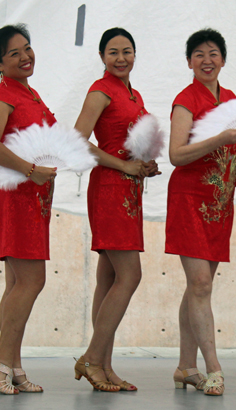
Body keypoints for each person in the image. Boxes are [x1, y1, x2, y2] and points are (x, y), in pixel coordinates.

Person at [73, 27, 160, 392]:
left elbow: (127, 144)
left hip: (129, 190)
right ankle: (92, 358)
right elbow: (77, 138)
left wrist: (142, 163)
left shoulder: (133, 94)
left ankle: (104, 367)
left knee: (108, 279)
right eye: (113, 52)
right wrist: (123, 166)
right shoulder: (100, 90)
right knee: (130, 275)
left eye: (127, 51)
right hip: (110, 189)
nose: (120, 58)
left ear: (136, 54)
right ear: (102, 57)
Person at [165, 28, 236, 396]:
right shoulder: (186, 100)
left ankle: (185, 366)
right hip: (189, 201)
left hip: (219, 204)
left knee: (199, 287)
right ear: (189, 63)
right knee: (200, 284)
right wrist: (219, 140)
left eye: (213, 53)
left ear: (224, 60)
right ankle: (213, 367)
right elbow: (176, 155)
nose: (207, 60)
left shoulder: (230, 100)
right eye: (198, 54)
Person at [0, 24, 57, 394]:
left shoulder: (31, 94)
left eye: (27, 48)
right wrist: (29, 170)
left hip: (35, 200)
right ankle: (0, 360)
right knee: (31, 281)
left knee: (17, 283)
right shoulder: (2, 96)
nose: (26, 57)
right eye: (14, 54)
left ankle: (12, 363)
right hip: (15, 197)